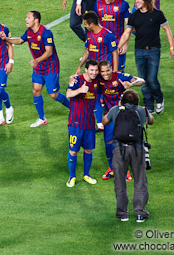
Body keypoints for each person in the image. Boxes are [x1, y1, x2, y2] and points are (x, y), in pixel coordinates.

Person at [0, 10, 69, 127]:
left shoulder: (46, 33)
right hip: (39, 67)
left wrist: (36, 60)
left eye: (28, 18)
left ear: (36, 20)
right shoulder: (29, 32)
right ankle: (42, 119)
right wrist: (6, 39)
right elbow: (20, 41)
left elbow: (49, 51)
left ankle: (73, 107)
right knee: (36, 90)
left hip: (51, 66)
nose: (26, 20)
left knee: (53, 94)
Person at [118, 0, 174, 113]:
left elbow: (167, 29)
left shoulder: (157, 14)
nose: (136, 1)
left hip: (153, 50)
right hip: (139, 51)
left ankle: (159, 98)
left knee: (151, 78)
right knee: (143, 80)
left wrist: (172, 48)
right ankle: (149, 104)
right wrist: (118, 46)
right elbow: (127, 32)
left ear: (146, 0)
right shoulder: (134, 16)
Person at [102, 89, 154, 222]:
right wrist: (144, 110)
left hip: (119, 149)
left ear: (122, 100)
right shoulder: (141, 111)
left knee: (120, 182)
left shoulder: (116, 110)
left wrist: (117, 107)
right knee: (140, 181)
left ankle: (122, 214)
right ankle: (140, 213)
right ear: (137, 101)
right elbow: (151, 121)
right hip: (137, 150)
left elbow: (104, 122)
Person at [98, 60, 144, 181]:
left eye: (107, 70)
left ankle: (126, 170)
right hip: (110, 116)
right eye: (102, 71)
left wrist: (131, 85)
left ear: (111, 68)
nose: (105, 73)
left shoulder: (119, 77)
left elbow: (141, 80)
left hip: (124, 117)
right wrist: (73, 78)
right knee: (108, 143)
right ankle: (111, 168)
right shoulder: (99, 79)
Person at [76, 11, 118, 130]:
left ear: (92, 23)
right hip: (94, 72)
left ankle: (113, 120)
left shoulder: (107, 35)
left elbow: (115, 53)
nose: (85, 26)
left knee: (109, 96)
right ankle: (100, 123)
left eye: (86, 24)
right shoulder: (89, 35)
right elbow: (87, 51)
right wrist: (80, 65)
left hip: (105, 72)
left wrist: (114, 72)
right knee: (95, 95)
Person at [65, 59, 100, 187]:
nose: (94, 73)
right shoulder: (77, 80)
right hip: (76, 123)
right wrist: (79, 90)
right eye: (91, 70)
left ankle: (86, 175)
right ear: (86, 69)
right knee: (73, 151)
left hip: (90, 123)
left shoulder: (97, 81)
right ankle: (72, 177)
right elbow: (68, 93)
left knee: (88, 150)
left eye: (96, 70)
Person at [94, 0, 130, 71]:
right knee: (101, 70)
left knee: (118, 71)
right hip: (102, 43)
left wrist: (125, 43)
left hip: (118, 43)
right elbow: (95, 24)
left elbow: (129, 26)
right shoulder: (98, 3)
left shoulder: (123, 4)